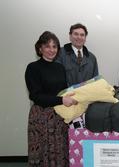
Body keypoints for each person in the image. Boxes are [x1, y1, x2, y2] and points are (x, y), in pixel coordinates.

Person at [25, 31, 77, 166]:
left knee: (60, 151)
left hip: (59, 116)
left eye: (54, 47)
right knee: (42, 154)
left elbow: (63, 91)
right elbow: (36, 96)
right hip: (41, 118)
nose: (51, 50)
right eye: (47, 46)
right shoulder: (33, 68)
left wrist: (74, 96)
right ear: (40, 48)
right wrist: (61, 100)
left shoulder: (60, 67)